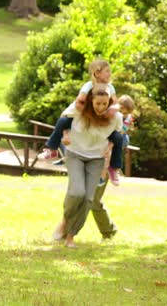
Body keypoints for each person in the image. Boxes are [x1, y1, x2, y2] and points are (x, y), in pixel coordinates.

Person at [51, 85, 123, 248]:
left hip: (96, 159)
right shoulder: (79, 109)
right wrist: (65, 136)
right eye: (98, 103)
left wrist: (109, 150)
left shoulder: (115, 117)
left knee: (88, 199)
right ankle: (65, 220)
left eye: (105, 104)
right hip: (75, 154)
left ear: (109, 103)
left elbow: (117, 136)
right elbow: (63, 121)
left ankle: (70, 236)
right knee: (77, 193)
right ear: (91, 101)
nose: (101, 107)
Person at [37, 59, 122, 185]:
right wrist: (89, 111)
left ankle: (113, 168)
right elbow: (80, 100)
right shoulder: (89, 86)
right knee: (63, 121)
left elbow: (116, 103)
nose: (110, 74)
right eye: (107, 71)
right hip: (86, 113)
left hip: (102, 116)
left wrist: (111, 109)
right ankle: (52, 148)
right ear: (97, 73)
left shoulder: (110, 87)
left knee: (118, 138)